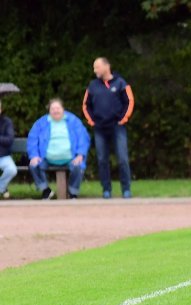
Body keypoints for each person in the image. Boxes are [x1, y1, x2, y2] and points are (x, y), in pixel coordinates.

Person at [82, 57, 134, 199]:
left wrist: (123, 119)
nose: (95, 70)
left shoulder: (121, 83)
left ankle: (126, 189)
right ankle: (106, 189)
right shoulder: (92, 85)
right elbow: (86, 105)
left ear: (106, 66)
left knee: (122, 158)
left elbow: (129, 101)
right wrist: (92, 121)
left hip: (117, 127)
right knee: (102, 160)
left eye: (97, 67)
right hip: (99, 128)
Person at [28, 98, 90, 199]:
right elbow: (32, 139)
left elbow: (83, 137)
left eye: (58, 108)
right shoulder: (41, 123)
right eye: (53, 108)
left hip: (70, 158)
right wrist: (34, 155)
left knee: (78, 166)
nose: (55, 110)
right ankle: (46, 190)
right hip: (46, 158)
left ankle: (72, 192)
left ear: (63, 109)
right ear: (49, 110)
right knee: (33, 165)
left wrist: (80, 154)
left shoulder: (73, 121)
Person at [0, 100, 17, 199]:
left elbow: (9, 140)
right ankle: (3, 189)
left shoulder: (7, 122)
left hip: (3, 156)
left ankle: (1, 187)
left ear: (1, 110)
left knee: (12, 170)